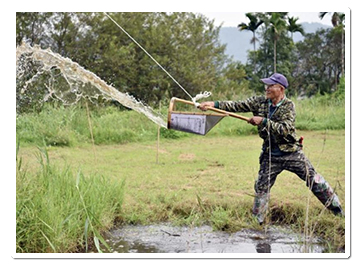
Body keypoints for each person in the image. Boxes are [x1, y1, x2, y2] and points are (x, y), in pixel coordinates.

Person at [199, 73, 344, 224]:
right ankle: (258, 222)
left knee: (314, 180)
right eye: (266, 85)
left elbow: (285, 129)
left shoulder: (289, 106)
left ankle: (339, 212)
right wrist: (213, 104)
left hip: (291, 153)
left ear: (280, 89)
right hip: (270, 155)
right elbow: (236, 105)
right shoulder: (259, 102)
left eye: (270, 86)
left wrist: (263, 121)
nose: (266, 89)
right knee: (261, 188)